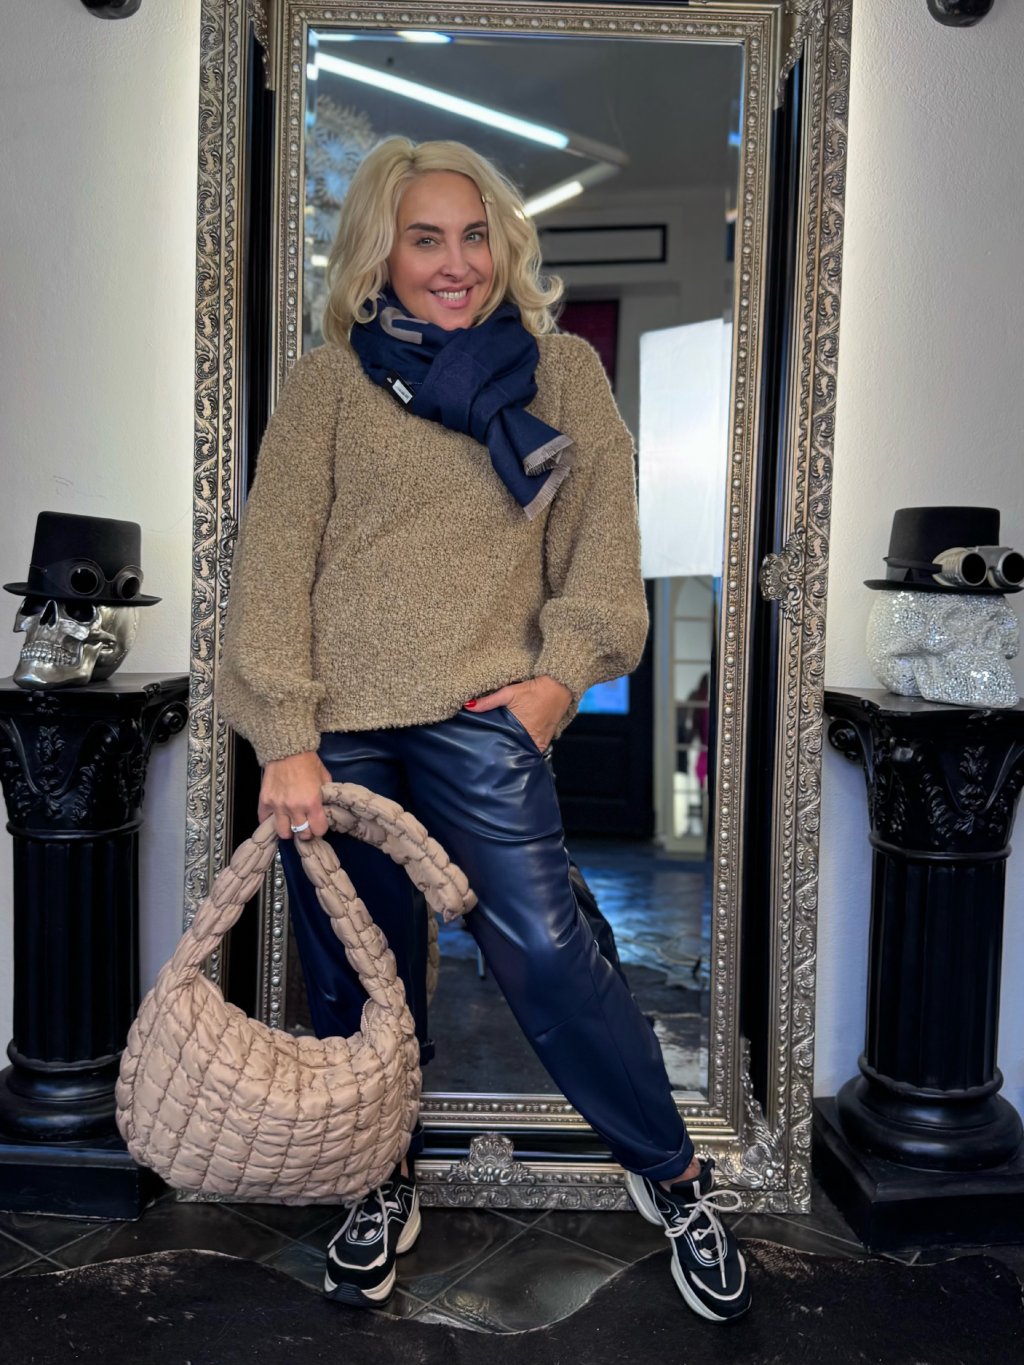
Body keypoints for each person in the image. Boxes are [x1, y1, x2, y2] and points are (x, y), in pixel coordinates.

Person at [217, 136, 749, 1324]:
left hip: (479, 712)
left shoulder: (562, 373)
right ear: (380, 255)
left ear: (504, 246)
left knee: (545, 954)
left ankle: (672, 1177)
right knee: (358, 975)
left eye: (474, 236)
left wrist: (559, 684)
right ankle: (377, 1179)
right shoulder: (328, 385)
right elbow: (275, 567)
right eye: (425, 240)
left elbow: (602, 556)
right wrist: (287, 732)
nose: (455, 263)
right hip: (341, 727)